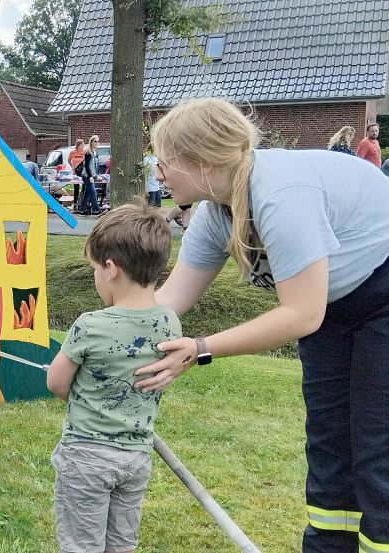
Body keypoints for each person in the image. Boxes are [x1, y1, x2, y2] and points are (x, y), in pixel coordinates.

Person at [136, 98, 389, 553]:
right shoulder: (217, 212)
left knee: (377, 449)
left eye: (164, 160)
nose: (158, 172)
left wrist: (201, 347)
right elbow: (169, 301)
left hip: (381, 294)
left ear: (203, 160)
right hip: (333, 307)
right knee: (329, 445)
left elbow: (301, 314)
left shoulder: (280, 194)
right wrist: (105, 335)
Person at [47, 203, 180, 553]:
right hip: (135, 460)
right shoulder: (169, 323)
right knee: (121, 545)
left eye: (94, 267)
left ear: (110, 269)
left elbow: (57, 384)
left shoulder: (89, 325)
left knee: (81, 545)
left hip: (86, 459)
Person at [76, 135, 102, 215]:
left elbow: (96, 165)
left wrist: (97, 174)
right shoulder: (88, 152)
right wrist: (90, 176)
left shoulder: (96, 153)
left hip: (93, 175)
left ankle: (82, 209)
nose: (97, 143)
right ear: (91, 142)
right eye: (95, 141)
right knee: (93, 192)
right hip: (87, 176)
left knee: (87, 193)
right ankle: (97, 209)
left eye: (98, 141)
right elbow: (86, 166)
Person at [67, 139, 86, 206]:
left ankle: (82, 201)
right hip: (75, 171)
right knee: (76, 187)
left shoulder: (84, 152)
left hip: (83, 171)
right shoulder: (73, 152)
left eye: (83, 145)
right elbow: (69, 160)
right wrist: (72, 166)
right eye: (82, 145)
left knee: (84, 186)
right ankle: (75, 201)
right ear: (78, 145)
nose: (83, 146)